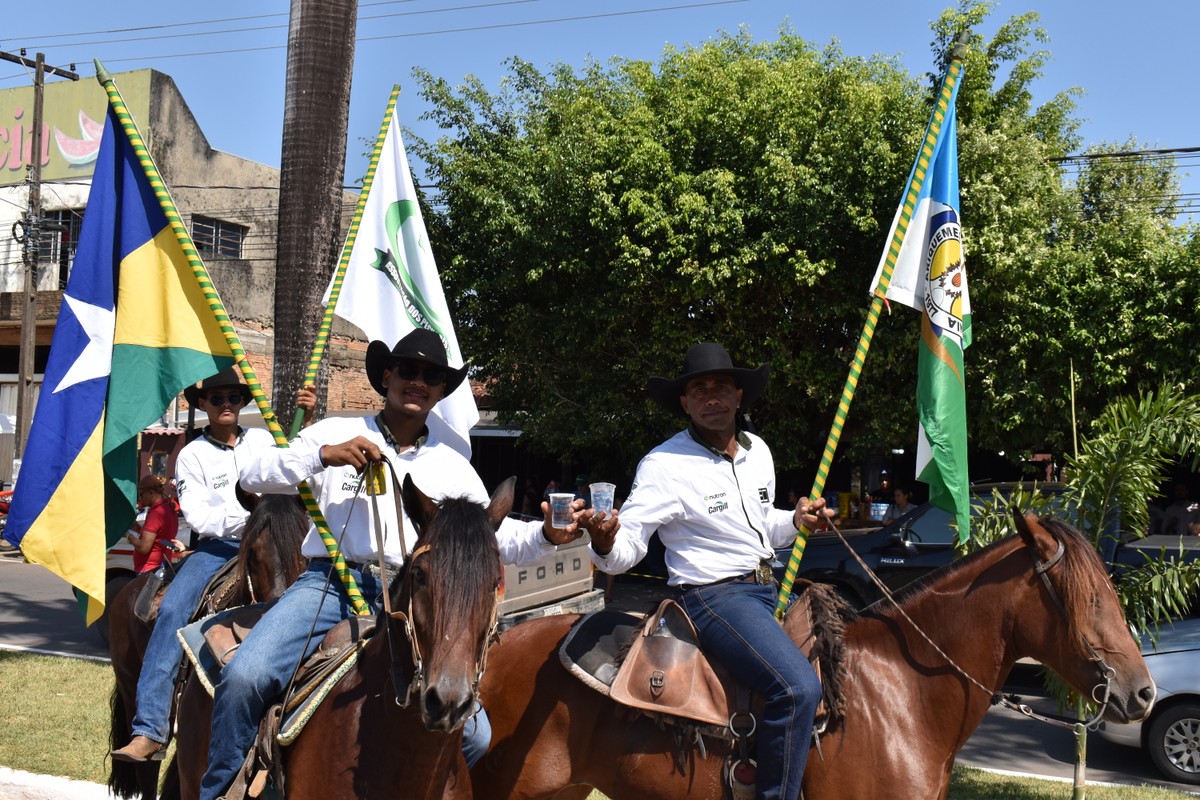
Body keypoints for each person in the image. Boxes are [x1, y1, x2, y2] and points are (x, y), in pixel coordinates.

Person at [199, 329, 590, 800]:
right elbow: (253, 473)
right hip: (329, 586)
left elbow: (491, 536)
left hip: (414, 599)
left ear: (441, 391)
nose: (418, 382)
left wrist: (548, 535)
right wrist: (324, 457)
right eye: (408, 370)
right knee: (246, 677)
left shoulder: (453, 464)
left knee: (478, 735)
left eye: (432, 376)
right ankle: (220, 789)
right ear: (386, 376)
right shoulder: (333, 431)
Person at [586, 342, 830, 800]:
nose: (711, 396)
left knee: (843, 666)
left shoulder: (759, 451)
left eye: (721, 386)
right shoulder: (663, 465)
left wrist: (795, 520)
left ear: (739, 395)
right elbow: (631, 544)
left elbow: (762, 527)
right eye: (699, 389)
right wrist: (605, 542)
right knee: (796, 689)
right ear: (685, 402)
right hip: (712, 598)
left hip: (767, 588)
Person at [112, 366, 276, 763]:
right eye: (216, 398)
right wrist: (255, 515)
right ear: (202, 404)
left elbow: (287, 480)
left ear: (243, 403)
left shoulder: (266, 440)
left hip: (273, 540)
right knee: (172, 610)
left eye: (233, 398)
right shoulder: (192, 454)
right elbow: (203, 518)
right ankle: (150, 727)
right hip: (218, 547)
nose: (225, 405)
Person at [127, 475, 184, 574]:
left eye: (141, 495)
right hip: (161, 567)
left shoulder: (157, 514)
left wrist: (128, 536)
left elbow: (144, 548)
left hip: (149, 570)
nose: (140, 499)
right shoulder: (169, 508)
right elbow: (157, 537)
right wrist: (137, 529)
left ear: (151, 493)